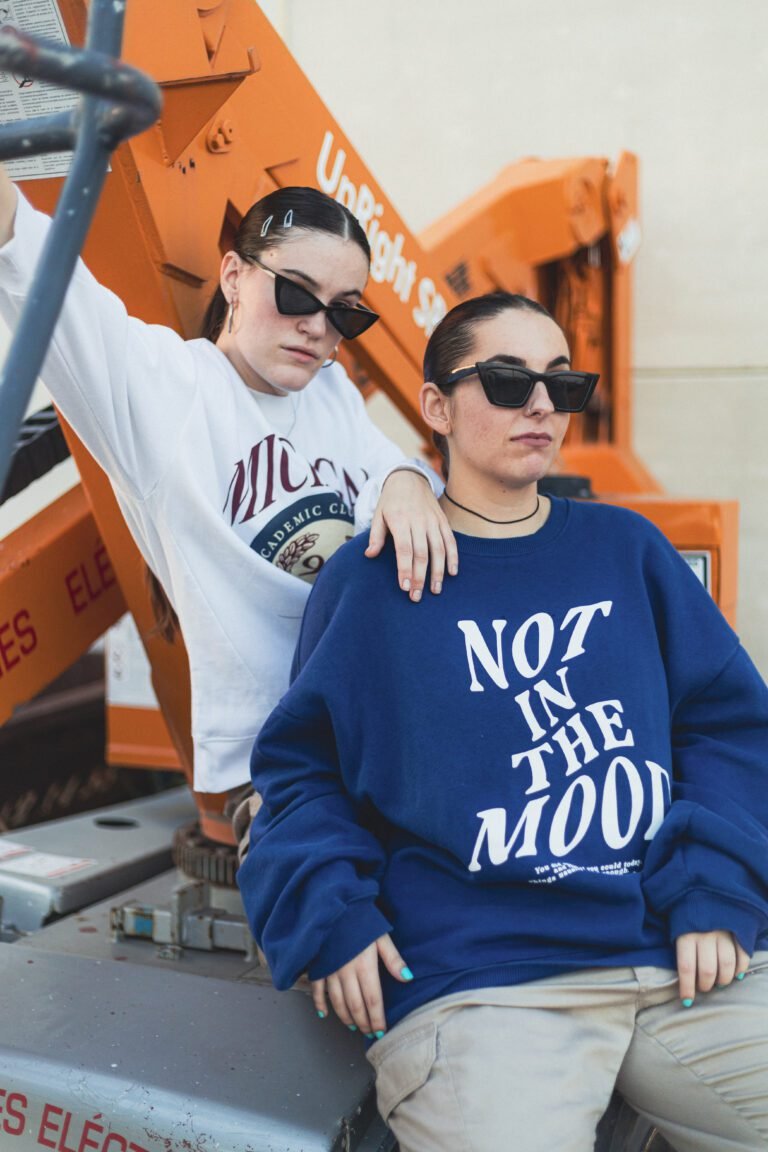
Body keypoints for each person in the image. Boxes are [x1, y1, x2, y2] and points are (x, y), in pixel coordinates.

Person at [238, 291, 768, 1152]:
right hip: (486, 984)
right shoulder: (374, 584)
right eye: (507, 379)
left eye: (561, 384)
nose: (538, 406)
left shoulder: (626, 551)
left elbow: (725, 728)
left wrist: (714, 890)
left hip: (677, 961)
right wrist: (329, 917)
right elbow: (302, 776)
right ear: (437, 406)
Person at [0, 171, 456, 797]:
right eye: (297, 294)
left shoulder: (332, 392)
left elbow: (392, 471)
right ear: (235, 276)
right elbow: (31, 259)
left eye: (345, 311)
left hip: (387, 735)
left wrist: (406, 477)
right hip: (284, 770)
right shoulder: (166, 389)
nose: (319, 328)